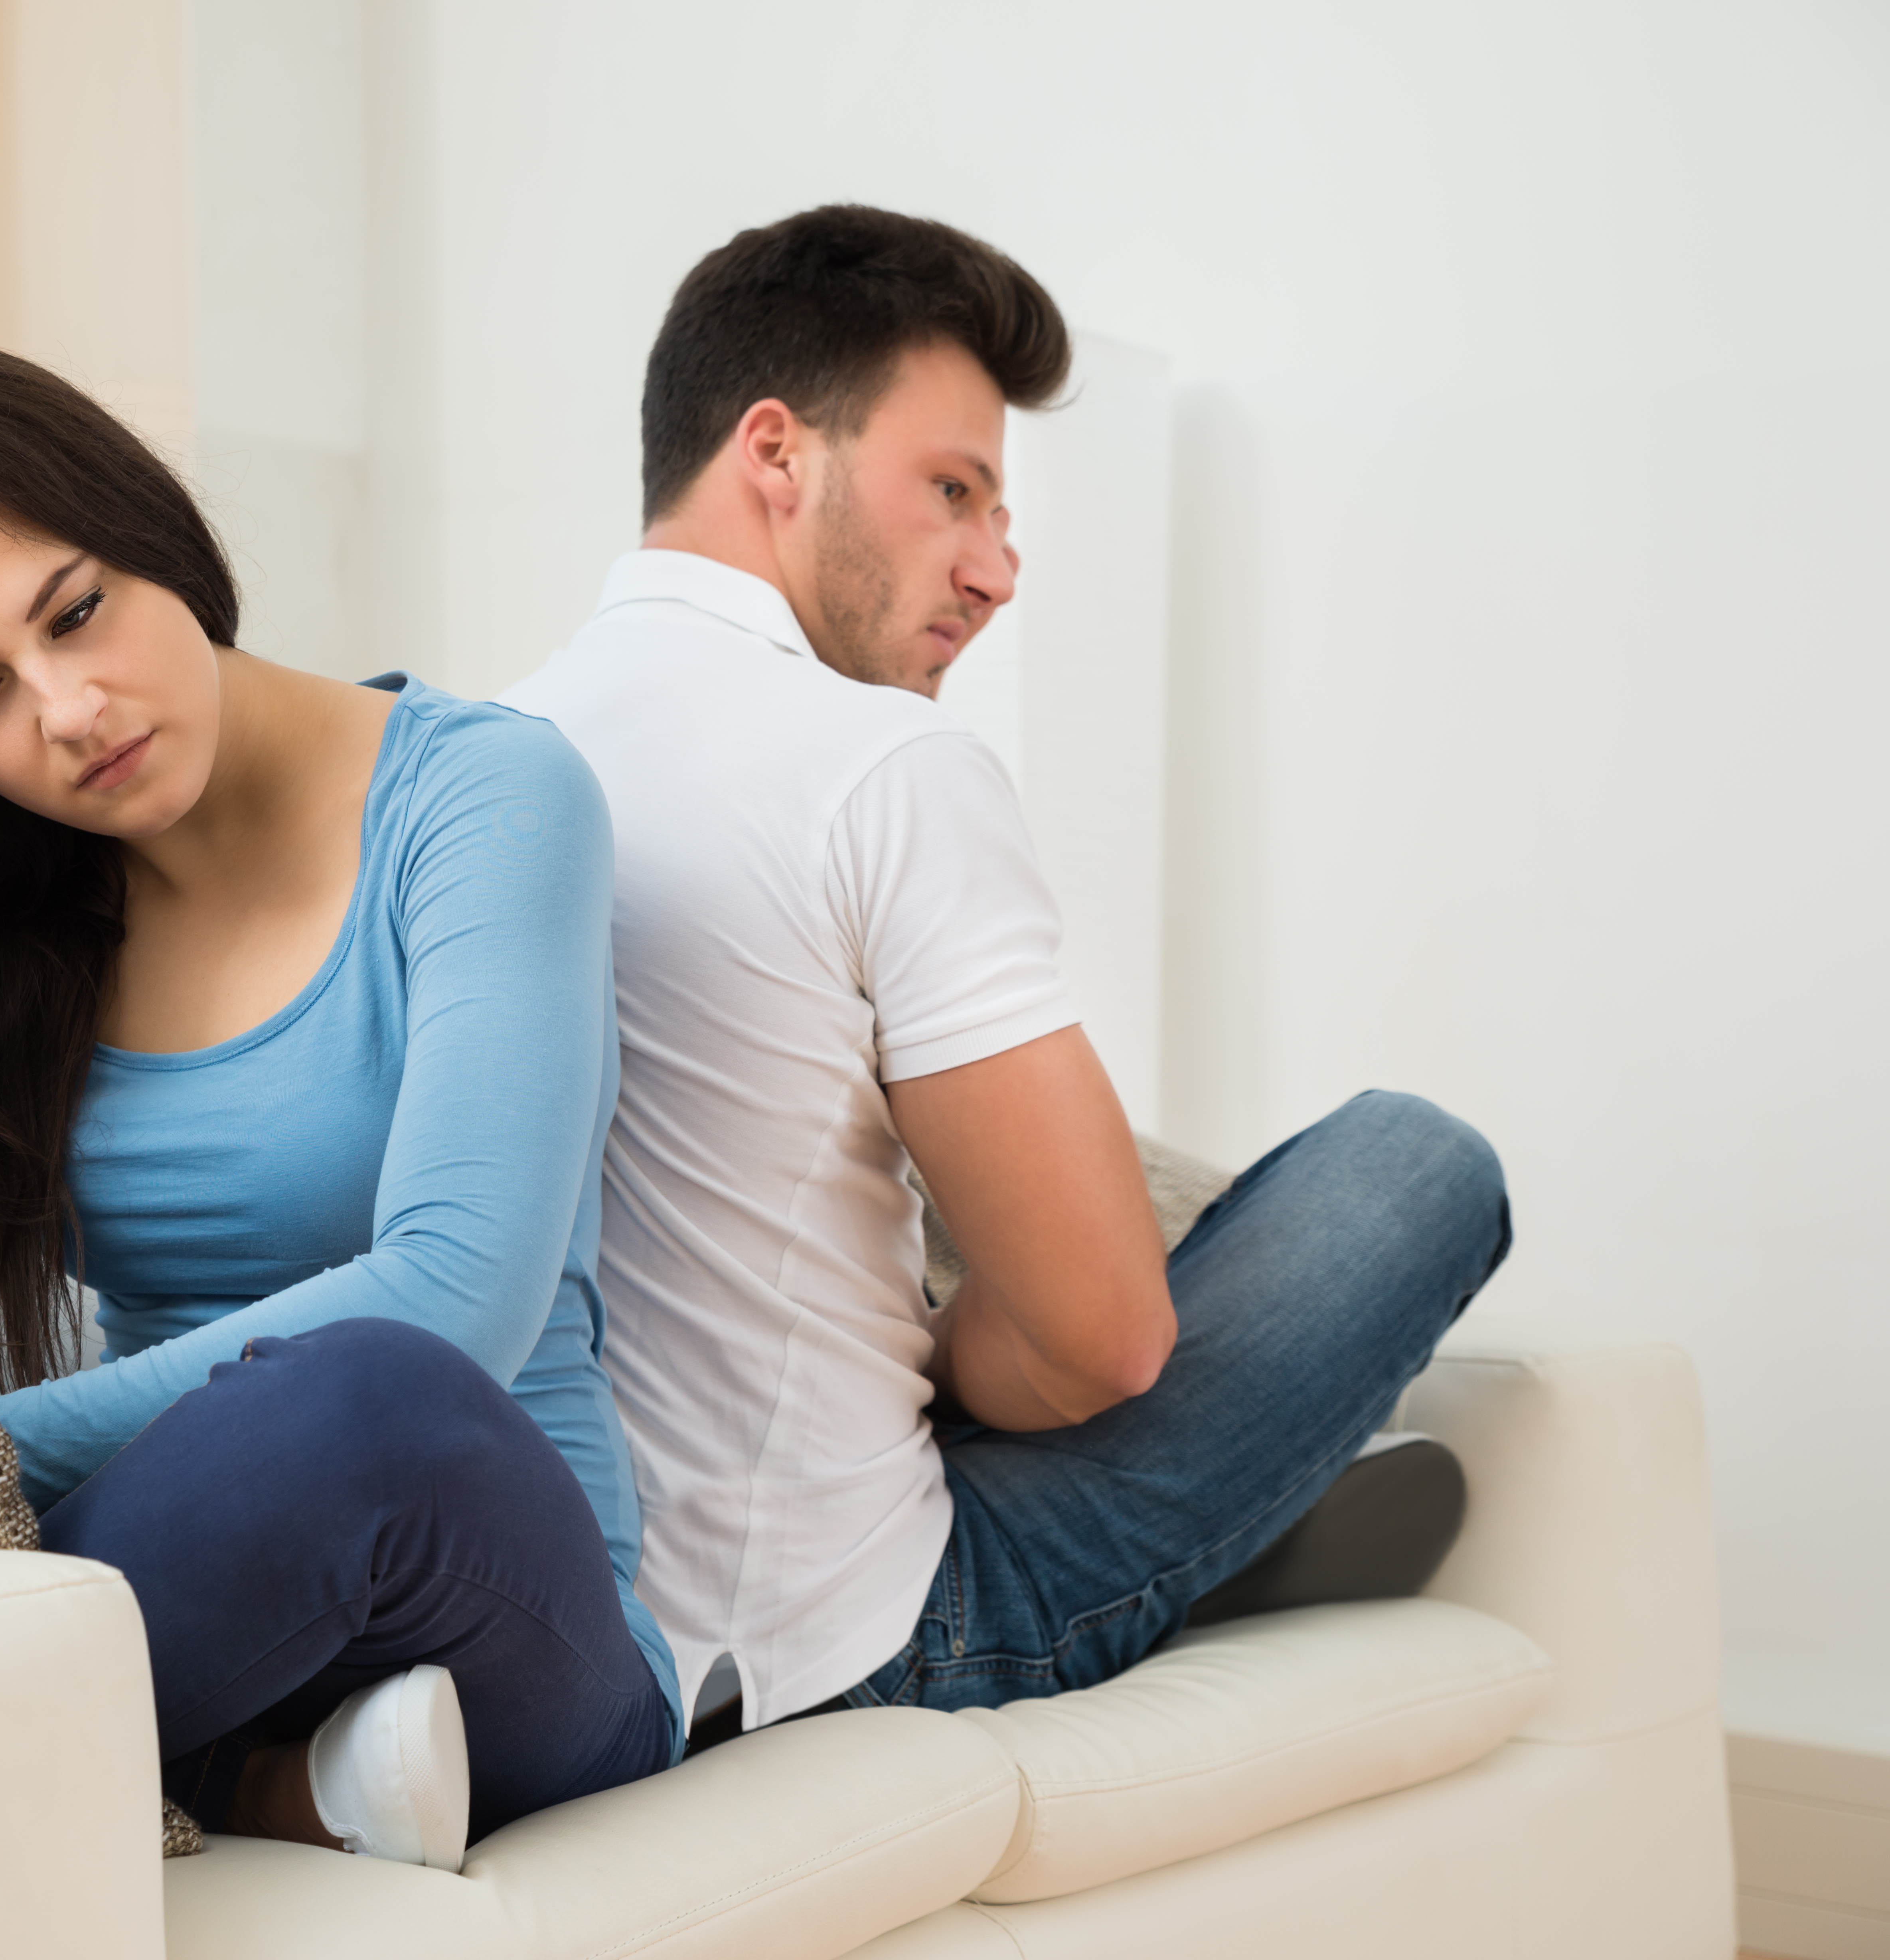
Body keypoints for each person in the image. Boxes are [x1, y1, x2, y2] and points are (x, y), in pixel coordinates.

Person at [0, 338, 680, 1863]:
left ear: (152, 532)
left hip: (494, 1602)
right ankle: (254, 1783)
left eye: (75, 610)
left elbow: (457, 1301)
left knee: (364, 1388)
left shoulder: (486, 797)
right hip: (160, 1583)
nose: (71, 711)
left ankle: (171, 1769)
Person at [500, 206, 1511, 1741]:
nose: (997, 571)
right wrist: (966, 1356)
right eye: (954, 491)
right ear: (775, 451)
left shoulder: (495, 745)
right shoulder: (882, 764)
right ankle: (1224, 1548)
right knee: (1416, 1166)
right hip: (854, 1636)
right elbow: (1107, 1338)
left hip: (604, 1617)